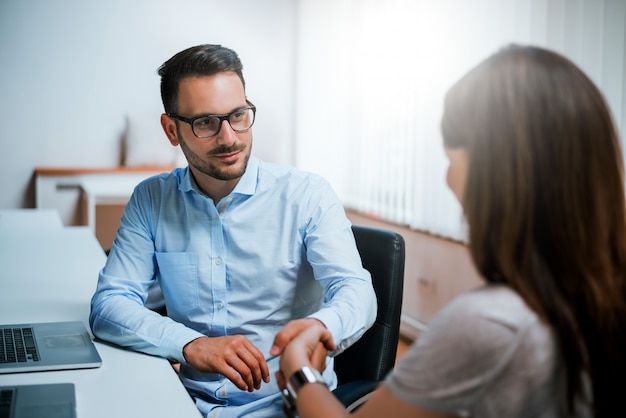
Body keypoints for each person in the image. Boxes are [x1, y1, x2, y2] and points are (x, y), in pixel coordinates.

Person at [277, 44, 626, 418]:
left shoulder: (488, 324)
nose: (447, 180)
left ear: (498, 173)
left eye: (451, 158)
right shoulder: (600, 298)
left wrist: (299, 372)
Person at [89, 44, 377, 418]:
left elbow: (356, 290)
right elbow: (109, 304)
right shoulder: (152, 199)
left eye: (238, 115)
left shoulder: (306, 195)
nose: (229, 138)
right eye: (206, 122)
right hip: (183, 401)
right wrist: (191, 344)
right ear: (171, 130)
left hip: (283, 406)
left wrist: (321, 325)